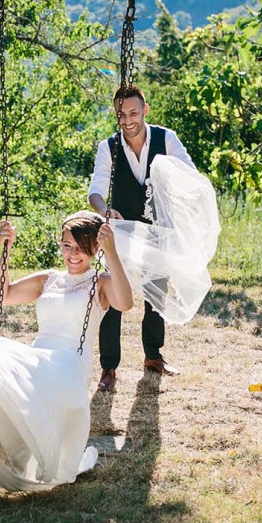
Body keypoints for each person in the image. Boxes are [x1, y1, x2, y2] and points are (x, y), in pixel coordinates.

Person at [0, 211, 133, 492]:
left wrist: (112, 252)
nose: (73, 254)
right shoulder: (48, 279)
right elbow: (1, 295)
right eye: (67, 246)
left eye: (82, 248)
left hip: (69, 364)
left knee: (9, 370)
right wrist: (6, 250)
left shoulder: (100, 283)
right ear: (60, 245)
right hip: (39, 357)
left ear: (95, 249)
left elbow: (125, 303)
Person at [88, 85, 197, 391]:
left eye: (134, 113)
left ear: (145, 110)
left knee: (156, 294)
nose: (128, 120)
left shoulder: (167, 139)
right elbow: (96, 189)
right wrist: (104, 208)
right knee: (111, 292)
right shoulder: (107, 147)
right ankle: (109, 368)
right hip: (120, 232)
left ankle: (153, 356)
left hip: (157, 229)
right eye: (121, 114)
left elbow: (189, 174)